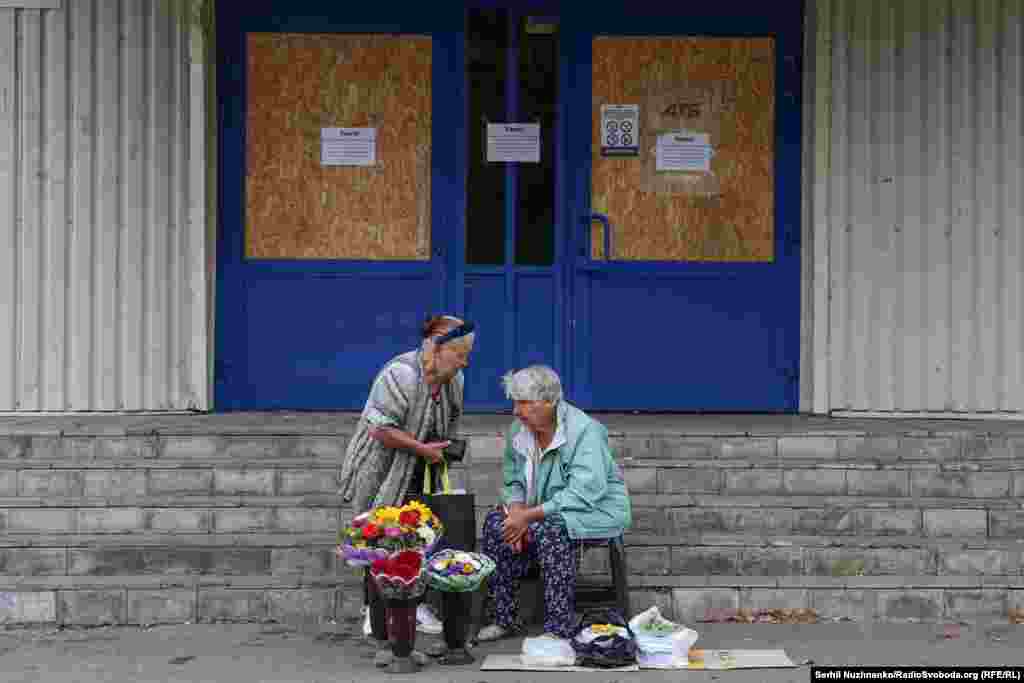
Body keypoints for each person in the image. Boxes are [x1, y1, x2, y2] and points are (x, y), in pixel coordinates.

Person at [337, 314, 475, 666]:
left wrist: (441, 448)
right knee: (380, 537)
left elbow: (452, 419)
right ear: (436, 347)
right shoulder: (401, 374)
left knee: (415, 536)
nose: (465, 362)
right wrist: (421, 448)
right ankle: (378, 620)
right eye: (460, 354)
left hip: (419, 467)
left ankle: (410, 612)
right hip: (381, 467)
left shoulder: (453, 381)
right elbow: (380, 428)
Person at [476, 365, 632, 645]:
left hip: (594, 511)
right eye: (514, 402)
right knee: (495, 523)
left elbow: (585, 492)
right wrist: (515, 511)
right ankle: (504, 618)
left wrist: (530, 516)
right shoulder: (518, 431)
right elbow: (513, 481)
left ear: (550, 402)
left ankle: (559, 626)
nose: (516, 411)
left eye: (524, 403)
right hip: (541, 511)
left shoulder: (584, 431)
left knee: (550, 528)